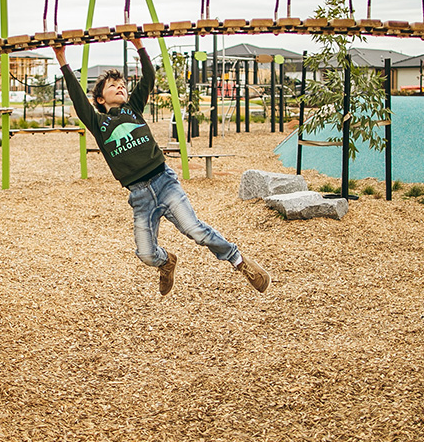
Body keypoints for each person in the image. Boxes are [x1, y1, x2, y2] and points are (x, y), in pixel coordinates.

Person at [53, 39, 270, 296]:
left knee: (196, 231)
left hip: (164, 182)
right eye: (113, 86)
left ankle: (240, 262)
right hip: (139, 195)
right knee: (145, 254)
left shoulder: (134, 109)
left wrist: (139, 45)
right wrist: (62, 60)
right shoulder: (98, 123)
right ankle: (166, 261)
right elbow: (78, 98)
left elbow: (149, 77)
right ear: (100, 98)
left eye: (123, 85)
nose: (120, 87)